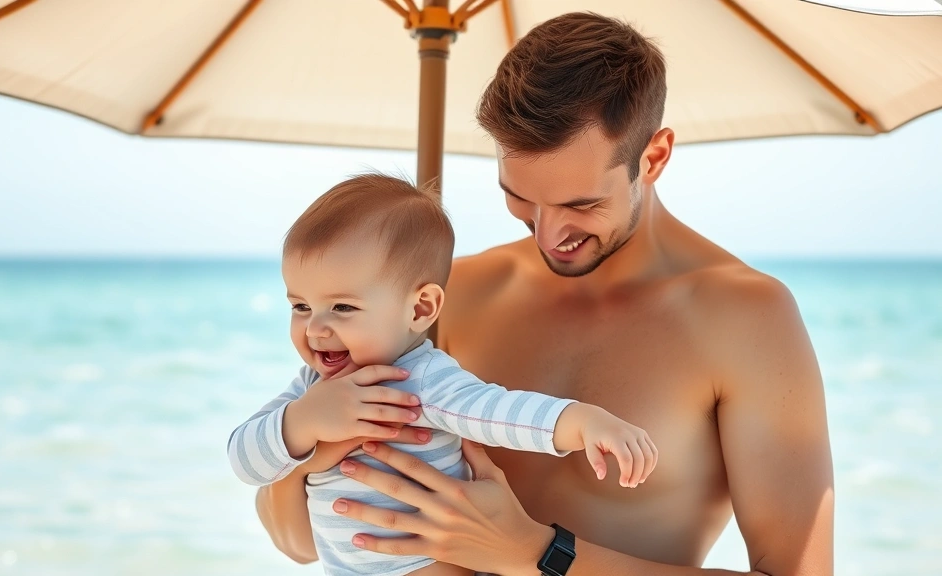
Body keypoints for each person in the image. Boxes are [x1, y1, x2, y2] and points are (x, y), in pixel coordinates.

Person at [256, 12, 834, 576]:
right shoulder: (448, 293)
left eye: (581, 205)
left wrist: (538, 554)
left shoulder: (746, 317)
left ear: (652, 158)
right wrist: (314, 451)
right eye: (521, 198)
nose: (548, 234)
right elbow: (297, 543)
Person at [230, 174, 657, 576]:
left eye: (342, 307)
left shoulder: (420, 379)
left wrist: (582, 422)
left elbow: (499, 413)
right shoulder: (310, 389)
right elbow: (244, 459)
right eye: (300, 306)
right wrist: (300, 422)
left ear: (420, 309)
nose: (314, 328)